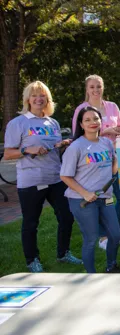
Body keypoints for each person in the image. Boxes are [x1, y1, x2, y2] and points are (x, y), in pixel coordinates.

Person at [3, 81, 81, 272]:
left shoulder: (52, 122)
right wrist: (27, 149)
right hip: (31, 181)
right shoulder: (18, 123)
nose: (39, 99)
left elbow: (51, 149)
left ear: (47, 99)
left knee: (67, 216)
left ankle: (63, 254)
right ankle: (32, 260)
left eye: (42, 95)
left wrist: (62, 144)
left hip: (55, 178)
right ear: (27, 99)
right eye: (34, 95)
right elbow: (8, 153)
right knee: (31, 222)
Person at [71, 75, 120, 249]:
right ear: (87, 89)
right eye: (92, 87)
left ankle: (115, 231)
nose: (96, 90)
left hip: (115, 157)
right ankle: (102, 236)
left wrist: (119, 131)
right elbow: (78, 136)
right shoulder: (81, 109)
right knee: (97, 198)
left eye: (98, 86)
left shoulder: (112, 106)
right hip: (93, 161)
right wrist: (106, 131)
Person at [61, 106, 120, 273]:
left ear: (101, 121)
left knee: (115, 235)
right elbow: (65, 176)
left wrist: (117, 158)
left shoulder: (106, 143)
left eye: (95, 119)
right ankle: (91, 276)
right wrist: (85, 194)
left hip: (105, 197)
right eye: (87, 120)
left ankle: (111, 267)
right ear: (81, 124)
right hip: (82, 200)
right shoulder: (76, 147)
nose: (92, 123)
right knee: (91, 239)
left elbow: (113, 167)